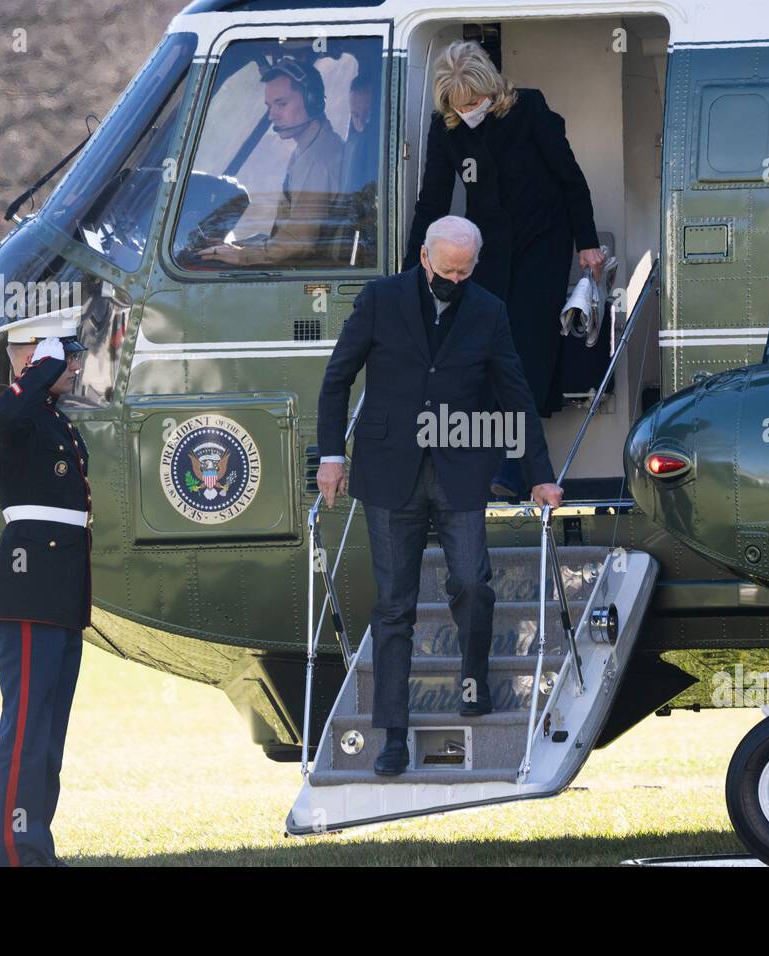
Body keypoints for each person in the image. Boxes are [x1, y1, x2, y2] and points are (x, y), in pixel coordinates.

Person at [317, 215, 564, 776]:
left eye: (464, 271)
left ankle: (472, 680)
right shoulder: (380, 299)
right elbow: (337, 379)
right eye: (446, 269)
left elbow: (515, 395)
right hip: (388, 471)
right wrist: (332, 455)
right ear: (425, 257)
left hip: (459, 468)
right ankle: (394, 735)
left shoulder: (488, 310)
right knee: (394, 606)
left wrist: (540, 475)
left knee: (473, 584)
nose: (453, 279)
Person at [403, 40, 605, 500]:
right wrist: (414, 267)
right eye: (461, 105)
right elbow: (432, 201)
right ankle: (497, 465)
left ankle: (517, 470)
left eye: (476, 101)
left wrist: (587, 243)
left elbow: (571, 178)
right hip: (488, 252)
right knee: (486, 353)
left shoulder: (529, 109)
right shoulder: (448, 128)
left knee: (528, 353)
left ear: (491, 89)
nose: (471, 110)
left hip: (541, 246)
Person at [0, 311, 91, 866]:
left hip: (61, 590)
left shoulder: (53, 420)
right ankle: (14, 855)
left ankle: (35, 846)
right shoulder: (16, 413)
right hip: (29, 587)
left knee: (47, 737)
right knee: (24, 731)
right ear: (33, 357)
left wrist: (44, 372)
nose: (74, 362)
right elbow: (3, 414)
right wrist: (39, 370)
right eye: (64, 351)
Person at [197, 57, 344, 267]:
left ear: (313, 101)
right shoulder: (308, 149)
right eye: (269, 106)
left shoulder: (318, 161)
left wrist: (241, 256)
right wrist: (235, 247)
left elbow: (298, 241)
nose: (272, 114)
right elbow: (287, 237)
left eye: (281, 104)